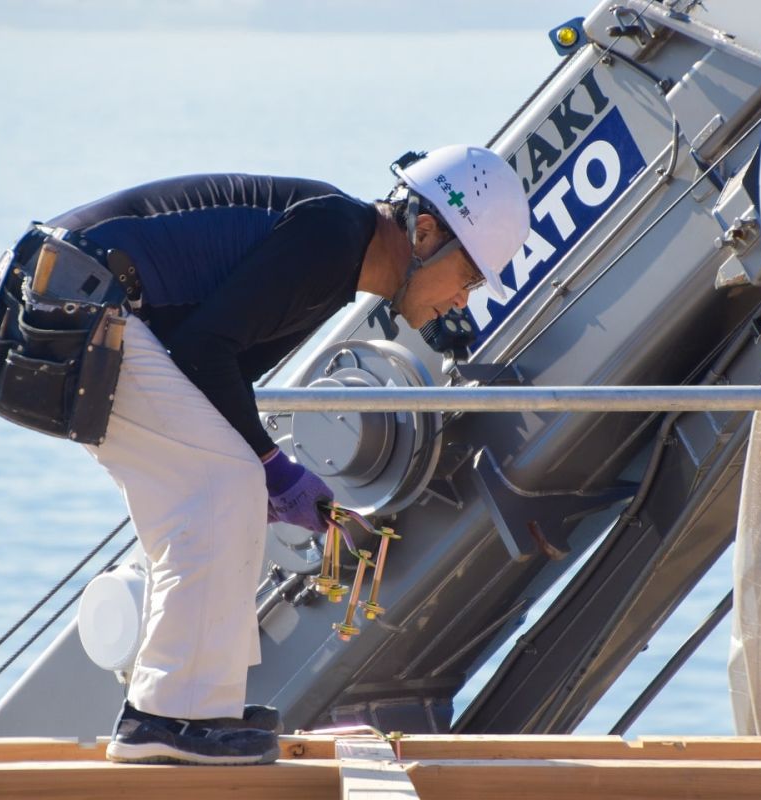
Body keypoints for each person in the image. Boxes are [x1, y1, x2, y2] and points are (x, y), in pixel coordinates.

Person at [30, 146, 528, 765]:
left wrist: (272, 473)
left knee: (215, 491)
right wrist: (270, 466)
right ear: (425, 233)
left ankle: (194, 711)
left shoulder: (336, 256)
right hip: (77, 302)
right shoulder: (331, 240)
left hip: (68, 297)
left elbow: (220, 371)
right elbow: (203, 352)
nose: (463, 302)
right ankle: (169, 718)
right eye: (471, 278)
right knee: (227, 483)